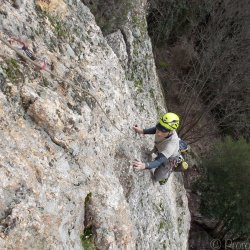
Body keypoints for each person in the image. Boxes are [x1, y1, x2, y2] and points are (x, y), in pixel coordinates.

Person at [132, 112, 181, 182]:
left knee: (157, 177)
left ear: (171, 132)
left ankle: (166, 175)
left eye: (163, 131)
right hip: (161, 147)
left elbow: (159, 161)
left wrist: (144, 165)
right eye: (159, 128)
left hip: (170, 159)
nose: (158, 133)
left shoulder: (171, 144)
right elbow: (155, 129)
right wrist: (141, 131)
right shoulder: (165, 128)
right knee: (158, 149)